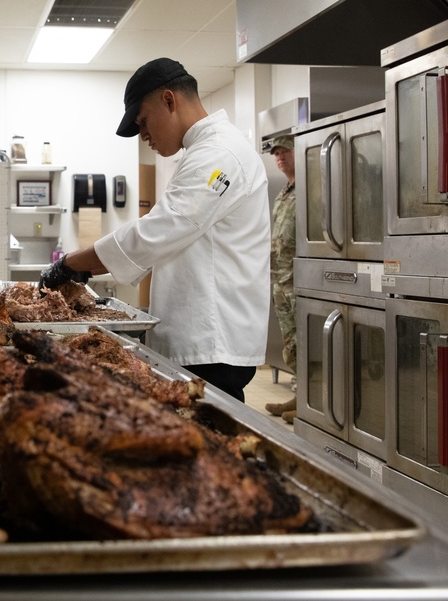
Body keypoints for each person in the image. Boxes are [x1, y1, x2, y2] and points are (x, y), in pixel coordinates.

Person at [39, 58, 271, 402]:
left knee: (210, 447)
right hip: (201, 340)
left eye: (143, 122)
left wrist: (73, 263)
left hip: (212, 343)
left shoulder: (219, 155)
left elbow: (160, 230)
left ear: (169, 100)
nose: (144, 135)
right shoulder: (203, 152)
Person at [262, 134, 298, 422]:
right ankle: (301, 398)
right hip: (281, 281)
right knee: (291, 344)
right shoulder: (283, 192)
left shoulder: (310, 191)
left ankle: (310, 407)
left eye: (285, 151)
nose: (280, 157)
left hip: (298, 281)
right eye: (276, 154)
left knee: (305, 344)